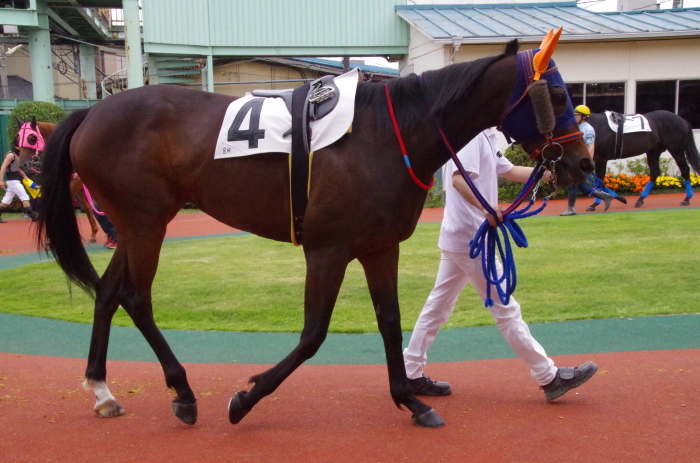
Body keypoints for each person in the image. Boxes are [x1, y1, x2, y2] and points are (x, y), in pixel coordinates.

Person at [403, 127, 598, 400]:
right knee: (505, 309)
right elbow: (460, 180)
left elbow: (508, 171)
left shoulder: (485, 135)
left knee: (438, 307)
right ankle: (549, 377)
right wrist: (485, 207)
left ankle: (409, 372)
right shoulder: (470, 136)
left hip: (460, 238)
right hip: (472, 239)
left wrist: (549, 173)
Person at [560, 105, 621, 216]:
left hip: (580, 161)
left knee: (572, 185)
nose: (574, 117)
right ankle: (605, 196)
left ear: (584, 116)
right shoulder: (573, 127)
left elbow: (591, 146)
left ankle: (571, 209)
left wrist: (588, 162)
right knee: (582, 187)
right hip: (572, 159)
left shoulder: (588, 129)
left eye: (577, 115)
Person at [0, 148, 37, 223]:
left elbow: (17, 168)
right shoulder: (11, 155)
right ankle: (32, 216)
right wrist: (1, 180)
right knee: (24, 196)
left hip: (14, 181)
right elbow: (3, 166)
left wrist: (24, 176)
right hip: (13, 181)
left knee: (7, 200)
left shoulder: (18, 155)